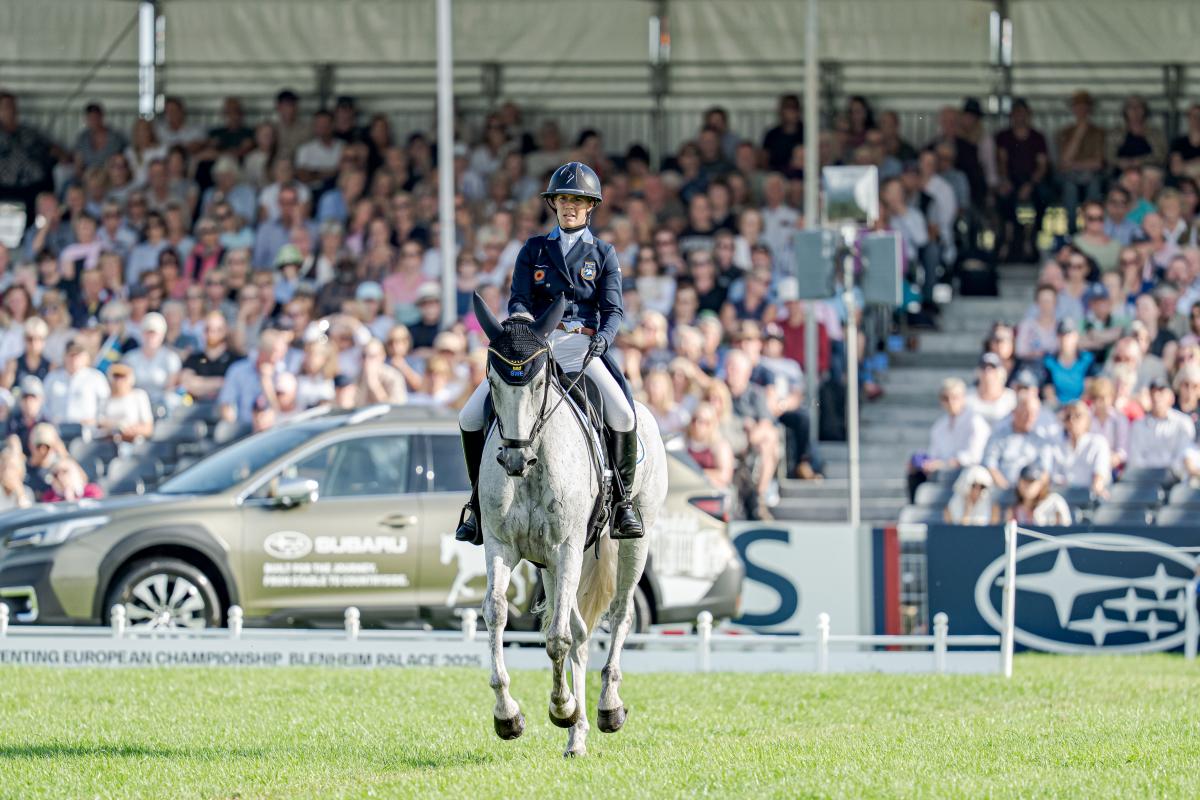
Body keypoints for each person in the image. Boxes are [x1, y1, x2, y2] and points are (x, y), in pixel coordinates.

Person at [456, 162, 641, 544]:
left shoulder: (603, 253)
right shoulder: (534, 249)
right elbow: (519, 298)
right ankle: (476, 503)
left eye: (577, 200)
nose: (569, 206)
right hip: (537, 345)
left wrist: (603, 339)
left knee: (622, 414)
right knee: (471, 414)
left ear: (591, 207)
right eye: (563, 199)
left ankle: (623, 503)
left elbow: (613, 309)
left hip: (581, 347)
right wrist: (524, 323)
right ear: (553, 204)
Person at [1127, 379, 1196, 476]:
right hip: (1144, 480)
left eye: (1161, 392)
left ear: (1171, 397)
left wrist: (1166, 473)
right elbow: (1135, 459)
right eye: (1153, 392)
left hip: (1176, 480)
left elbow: (1184, 455)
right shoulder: (1138, 425)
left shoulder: (1184, 422)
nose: (1156, 397)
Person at [1049, 400, 1111, 498]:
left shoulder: (1098, 442)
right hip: (1065, 498)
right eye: (1068, 417)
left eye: (1078, 415)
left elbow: (1099, 477)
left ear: (1087, 419)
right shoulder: (1058, 447)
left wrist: (1096, 488)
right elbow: (1055, 478)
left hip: (1090, 500)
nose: (1072, 420)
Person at [98, 363, 154, 442]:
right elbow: (100, 423)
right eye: (116, 376)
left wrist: (130, 430)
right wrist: (115, 427)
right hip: (109, 442)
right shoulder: (105, 399)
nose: (119, 380)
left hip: (133, 442)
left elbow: (148, 428)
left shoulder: (139, 395)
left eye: (123, 376)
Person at [1007, 463, 1071, 526]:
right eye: (1024, 481)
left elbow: (1065, 530)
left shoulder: (1055, 502)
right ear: (1019, 483)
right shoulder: (1013, 509)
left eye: (1031, 481)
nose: (1028, 486)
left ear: (1040, 484)